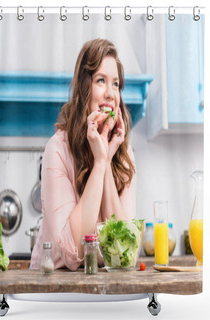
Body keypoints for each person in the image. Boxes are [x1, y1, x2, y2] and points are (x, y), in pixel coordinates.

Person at [30, 38, 136, 271]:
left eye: (116, 84)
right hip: (54, 288)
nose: (110, 94)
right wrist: (99, 164)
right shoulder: (57, 149)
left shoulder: (123, 152)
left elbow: (124, 251)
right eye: (101, 81)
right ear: (83, 88)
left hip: (102, 289)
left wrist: (106, 160)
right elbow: (73, 252)